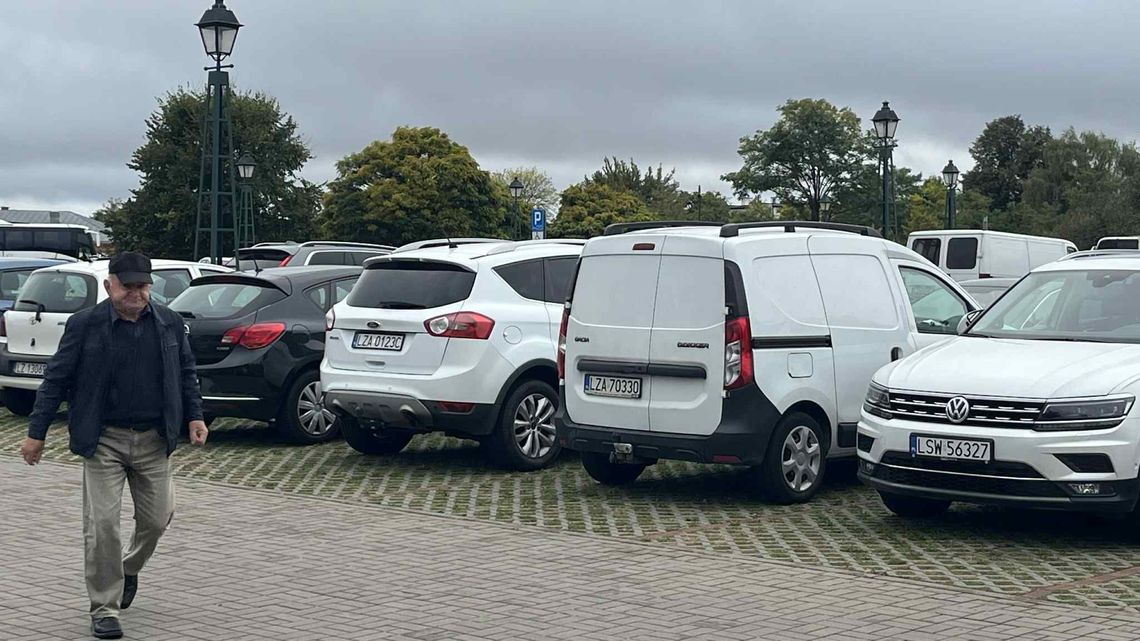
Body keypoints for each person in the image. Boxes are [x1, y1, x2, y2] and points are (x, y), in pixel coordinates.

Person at [18, 252, 209, 640]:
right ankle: (105, 608)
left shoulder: (169, 323)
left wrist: (195, 415)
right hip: (103, 438)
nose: (136, 293)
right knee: (103, 525)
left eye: (143, 286)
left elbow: (186, 372)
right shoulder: (85, 325)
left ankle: (129, 570)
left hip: (155, 439)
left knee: (156, 521)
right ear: (109, 286)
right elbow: (55, 379)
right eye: (128, 286)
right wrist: (36, 433)